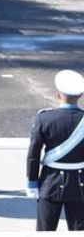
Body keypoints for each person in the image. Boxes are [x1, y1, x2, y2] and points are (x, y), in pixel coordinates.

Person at [26, 69, 84, 231]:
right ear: (80, 95)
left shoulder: (44, 118)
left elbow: (33, 154)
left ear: (58, 95)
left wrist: (32, 182)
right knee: (80, 231)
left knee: (45, 230)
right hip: (81, 182)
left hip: (50, 181)